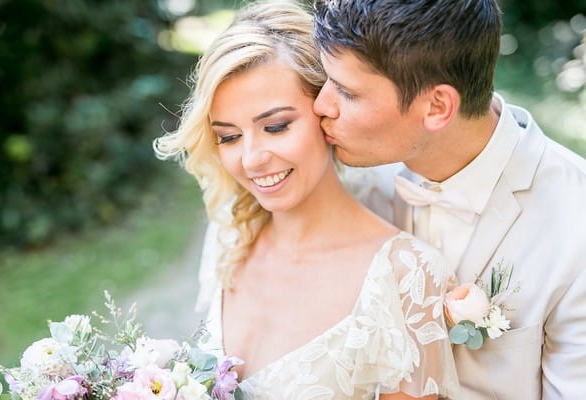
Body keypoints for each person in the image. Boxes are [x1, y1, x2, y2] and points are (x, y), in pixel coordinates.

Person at [155, 1, 458, 399]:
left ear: (327, 112)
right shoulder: (229, 236)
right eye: (228, 136)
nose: (251, 159)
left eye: (276, 127)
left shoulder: (405, 278)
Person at [310, 0, 586, 399]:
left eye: (347, 93)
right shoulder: (350, 182)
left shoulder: (576, 221)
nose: (321, 105)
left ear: (438, 107)